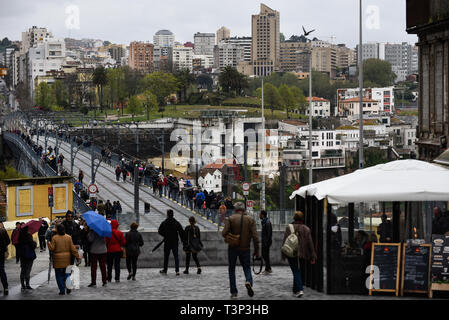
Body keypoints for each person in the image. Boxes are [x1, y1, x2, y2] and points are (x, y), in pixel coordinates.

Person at [222, 202, 260, 299]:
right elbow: (255, 237)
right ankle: (248, 281)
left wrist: (231, 236)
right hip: (245, 248)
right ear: (244, 210)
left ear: (235, 209)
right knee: (246, 267)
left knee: (231, 269)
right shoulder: (250, 219)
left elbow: (224, 233)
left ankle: (234, 292)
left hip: (233, 248)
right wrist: (257, 250)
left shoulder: (231, 218)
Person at [282, 211, 316, 298]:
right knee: (298, 270)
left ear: (294, 218)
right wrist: (313, 255)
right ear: (302, 218)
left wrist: (283, 254)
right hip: (303, 253)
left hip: (291, 252)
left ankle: (300, 289)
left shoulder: (289, 227)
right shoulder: (306, 229)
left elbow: (285, 241)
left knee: (295, 270)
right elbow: (310, 243)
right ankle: (295, 289)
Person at [48, 224, 81, 295]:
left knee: (59, 275)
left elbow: (52, 248)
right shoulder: (68, 237)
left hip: (57, 259)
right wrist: (77, 256)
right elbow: (73, 249)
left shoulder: (54, 238)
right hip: (67, 259)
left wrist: (48, 244)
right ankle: (68, 287)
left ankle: (62, 290)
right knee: (67, 274)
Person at [158, 209, 185, 276]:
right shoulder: (176, 222)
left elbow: (159, 231)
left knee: (166, 256)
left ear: (167, 214)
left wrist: (165, 235)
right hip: (175, 241)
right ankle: (177, 271)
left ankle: (165, 270)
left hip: (167, 241)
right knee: (176, 256)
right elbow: (181, 231)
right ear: (173, 214)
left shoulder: (164, 222)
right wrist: (182, 240)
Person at [18, 225, 37, 291]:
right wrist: (34, 242)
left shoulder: (19, 236)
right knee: (28, 269)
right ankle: (27, 284)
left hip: (22, 255)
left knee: (23, 269)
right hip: (29, 255)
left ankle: (23, 285)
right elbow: (32, 245)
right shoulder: (28, 235)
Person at [259, 210, 273, 274]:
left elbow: (269, 234)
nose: (259, 215)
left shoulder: (267, 222)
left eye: (260, 214)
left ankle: (268, 269)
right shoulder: (264, 222)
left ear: (262, 215)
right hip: (265, 242)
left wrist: (266, 243)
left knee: (265, 255)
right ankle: (268, 268)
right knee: (265, 255)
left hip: (266, 242)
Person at [0, 222, 10, 295]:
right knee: (2, 270)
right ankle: (5, 287)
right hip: (1, 253)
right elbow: (8, 241)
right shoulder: (3, 231)